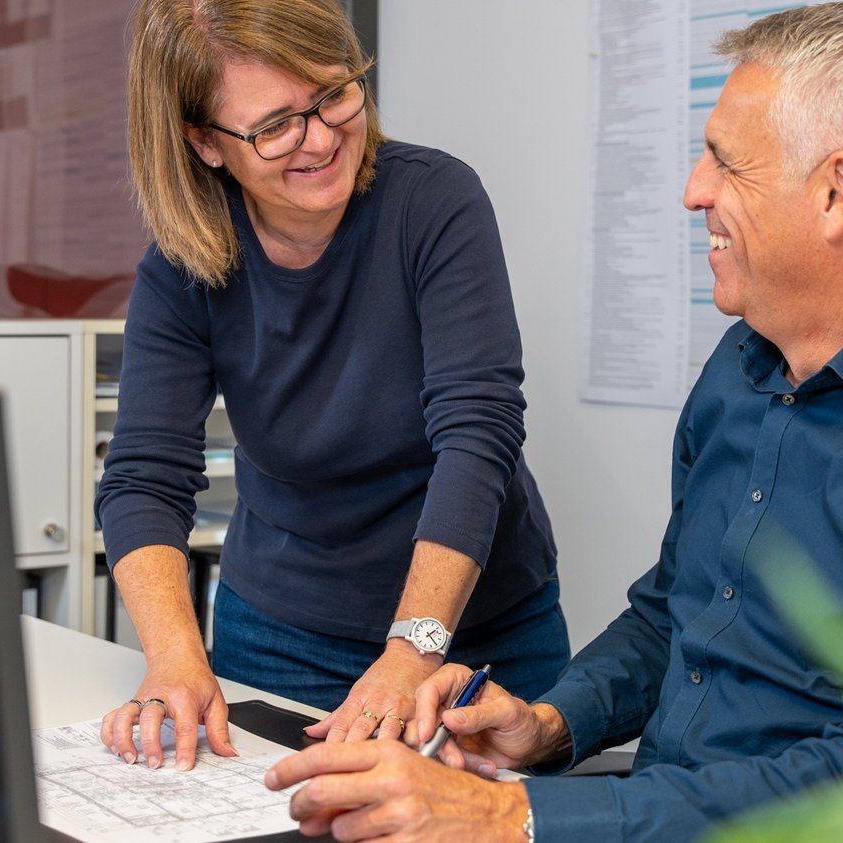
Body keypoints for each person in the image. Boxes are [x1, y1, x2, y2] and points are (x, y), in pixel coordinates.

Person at [265, 2, 843, 840]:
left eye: (729, 165)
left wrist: (513, 813)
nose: (694, 191)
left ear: (839, 191)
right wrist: (550, 725)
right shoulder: (740, 368)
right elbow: (671, 613)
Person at [95, 0, 568, 772]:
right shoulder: (183, 267)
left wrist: (415, 643)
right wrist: (176, 657)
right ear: (205, 143)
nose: (320, 139)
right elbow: (144, 476)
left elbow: (477, 435)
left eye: (333, 95)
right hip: (281, 631)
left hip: (479, 629)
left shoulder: (433, 202)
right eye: (275, 124)